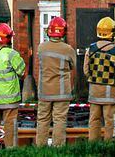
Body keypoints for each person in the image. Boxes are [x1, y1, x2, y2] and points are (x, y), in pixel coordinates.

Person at [0, 23, 26, 151]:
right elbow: (21, 71)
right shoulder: (11, 54)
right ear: (8, 38)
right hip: (9, 99)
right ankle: (10, 151)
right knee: (10, 126)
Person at [34, 16, 76, 147]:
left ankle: (40, 147)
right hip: (62, 92)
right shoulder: (68, 49)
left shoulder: (41, 48)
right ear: (63, 32)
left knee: (42, 120)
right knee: (59, 120)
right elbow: (73, 66)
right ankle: (58, 147)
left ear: (49, 31)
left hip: (44, 91)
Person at [83, 16, 115, 141]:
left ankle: (93, 145)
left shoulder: (91, 49)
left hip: (94, 92)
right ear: (112, 32)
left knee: (94, 120)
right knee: (110, 121)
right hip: (110, 93)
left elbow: (86, 71)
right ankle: (108, 145)